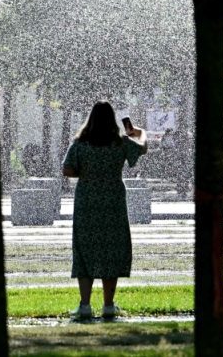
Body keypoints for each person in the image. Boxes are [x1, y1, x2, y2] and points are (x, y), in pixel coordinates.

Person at [62, 101, 147, 320]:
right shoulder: (120, 143)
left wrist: (88, 173)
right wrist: (139, 131)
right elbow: (143, 147)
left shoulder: (80, 144)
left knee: (85, 250)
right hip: (113, 202)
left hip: (87, 202)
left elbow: (67, 169)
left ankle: (85, 306)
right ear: (112, 119)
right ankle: (108, 305)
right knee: (111, 249)